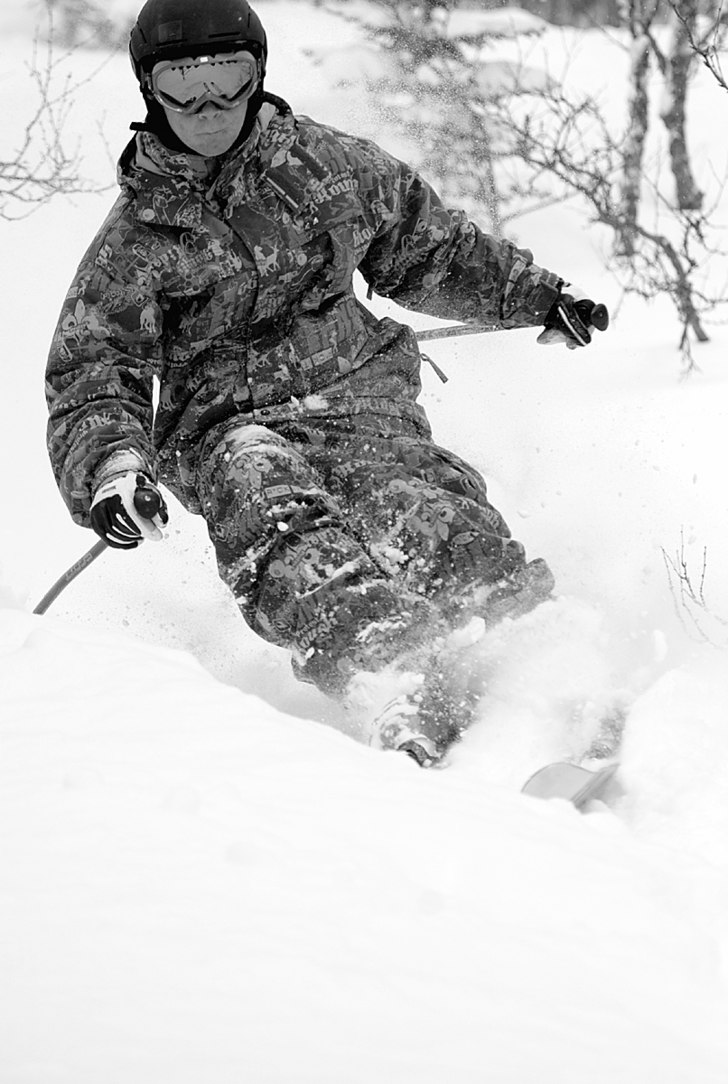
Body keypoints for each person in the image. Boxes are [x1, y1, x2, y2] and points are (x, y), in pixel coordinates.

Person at [45, 0, 607, 767]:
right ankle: (390, 665)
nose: (208, 107)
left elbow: (430, 245)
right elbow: (93, 371)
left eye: (227, 79)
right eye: (184, 85)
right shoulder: (135, 242)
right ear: (150, 90)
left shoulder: (326, 169)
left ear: (258, 75)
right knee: (268, 500)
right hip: (225, 427)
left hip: (356, 393)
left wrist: (537, 296)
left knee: (413, 497)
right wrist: (113, 469)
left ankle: (526, 643)